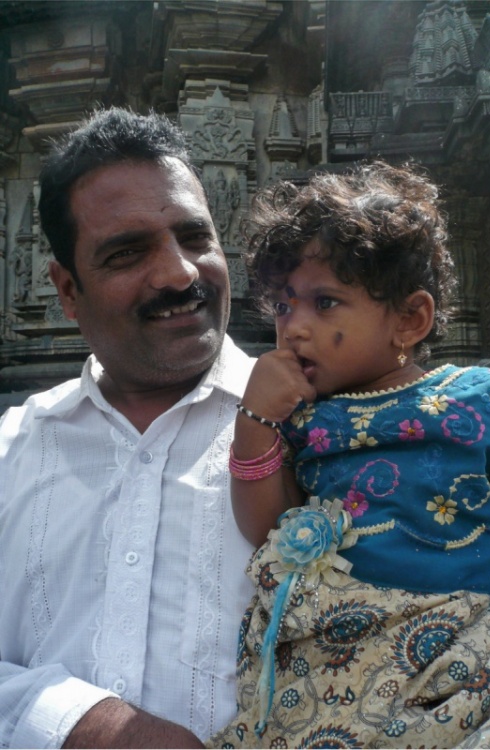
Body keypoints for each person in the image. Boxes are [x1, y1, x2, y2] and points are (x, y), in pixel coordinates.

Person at [208, 162, 490, 749]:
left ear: (410, 320)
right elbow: (266, 527)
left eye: (325, 303)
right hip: (333, 655)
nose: (294, 329)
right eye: (284, 306)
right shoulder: (300, 417)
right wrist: (255, 420)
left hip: (462, 646)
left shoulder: (477, 399)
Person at [0, 107, 256, 748]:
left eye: (194, 237)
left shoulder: (329, 432)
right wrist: (84, 725)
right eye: (127, 253)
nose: (179, 273)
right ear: (67, 290)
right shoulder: (12, 450)